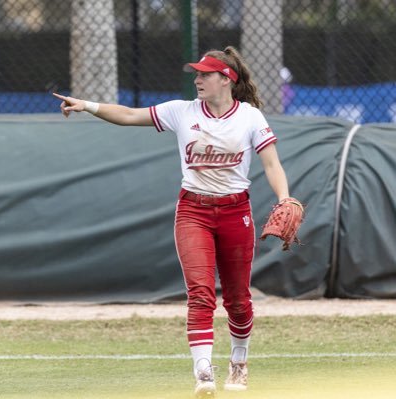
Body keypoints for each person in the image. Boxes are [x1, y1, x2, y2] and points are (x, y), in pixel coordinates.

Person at [53, 45, 290, 398]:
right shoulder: (182, 112)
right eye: (196, 74)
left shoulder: (250, 117)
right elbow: (130, 115)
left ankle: (239, 361)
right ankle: (203, 373)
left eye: (204, 74)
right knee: (200, 294)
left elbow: (271, 164)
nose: (197, 79)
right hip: (193, 211)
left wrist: (285, 198)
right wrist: (86, 105)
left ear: (226, 79)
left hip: (235, 212)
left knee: (238, 299)